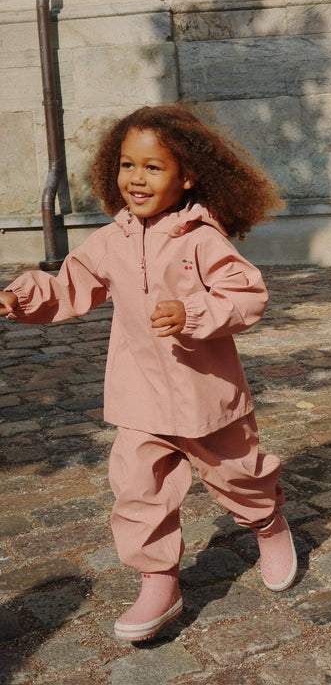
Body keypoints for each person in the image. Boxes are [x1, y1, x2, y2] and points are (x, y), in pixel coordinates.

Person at [0, 104, 297, 641]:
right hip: (138, 397)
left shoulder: (200, 237)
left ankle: (267, 523)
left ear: (186, 176)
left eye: (153, 167)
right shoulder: (110, 239)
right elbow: (69, 284)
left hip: (207, 396)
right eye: (127, 165)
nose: (136, 178)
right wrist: (21, 298)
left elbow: (246, 295)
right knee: (138, 491)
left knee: (240, 476)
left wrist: (194, 312)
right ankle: (159, 581)